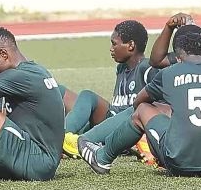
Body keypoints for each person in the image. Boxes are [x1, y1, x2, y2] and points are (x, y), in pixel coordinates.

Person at [78, 25, 201, 177]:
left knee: (143, 111)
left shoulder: (170, 73)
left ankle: (103, 158)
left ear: (178, 56)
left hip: (180, 163)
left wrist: (171, 109)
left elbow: (139, 102)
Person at [61, 20, 158, 161]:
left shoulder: (147, 68)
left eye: (114, 43)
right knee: (73, 93)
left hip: (127, 128)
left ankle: (63, 140)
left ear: (130, 45)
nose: (111, 49)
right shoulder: (121, 68)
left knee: (88, 98)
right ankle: (65, 137)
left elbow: (155, 106)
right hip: (110, 120)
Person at [0, 27, 64, 181]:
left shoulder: (21, 76)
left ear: (3, 54)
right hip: (40, 158)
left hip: (37, 161)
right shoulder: (35, 71)